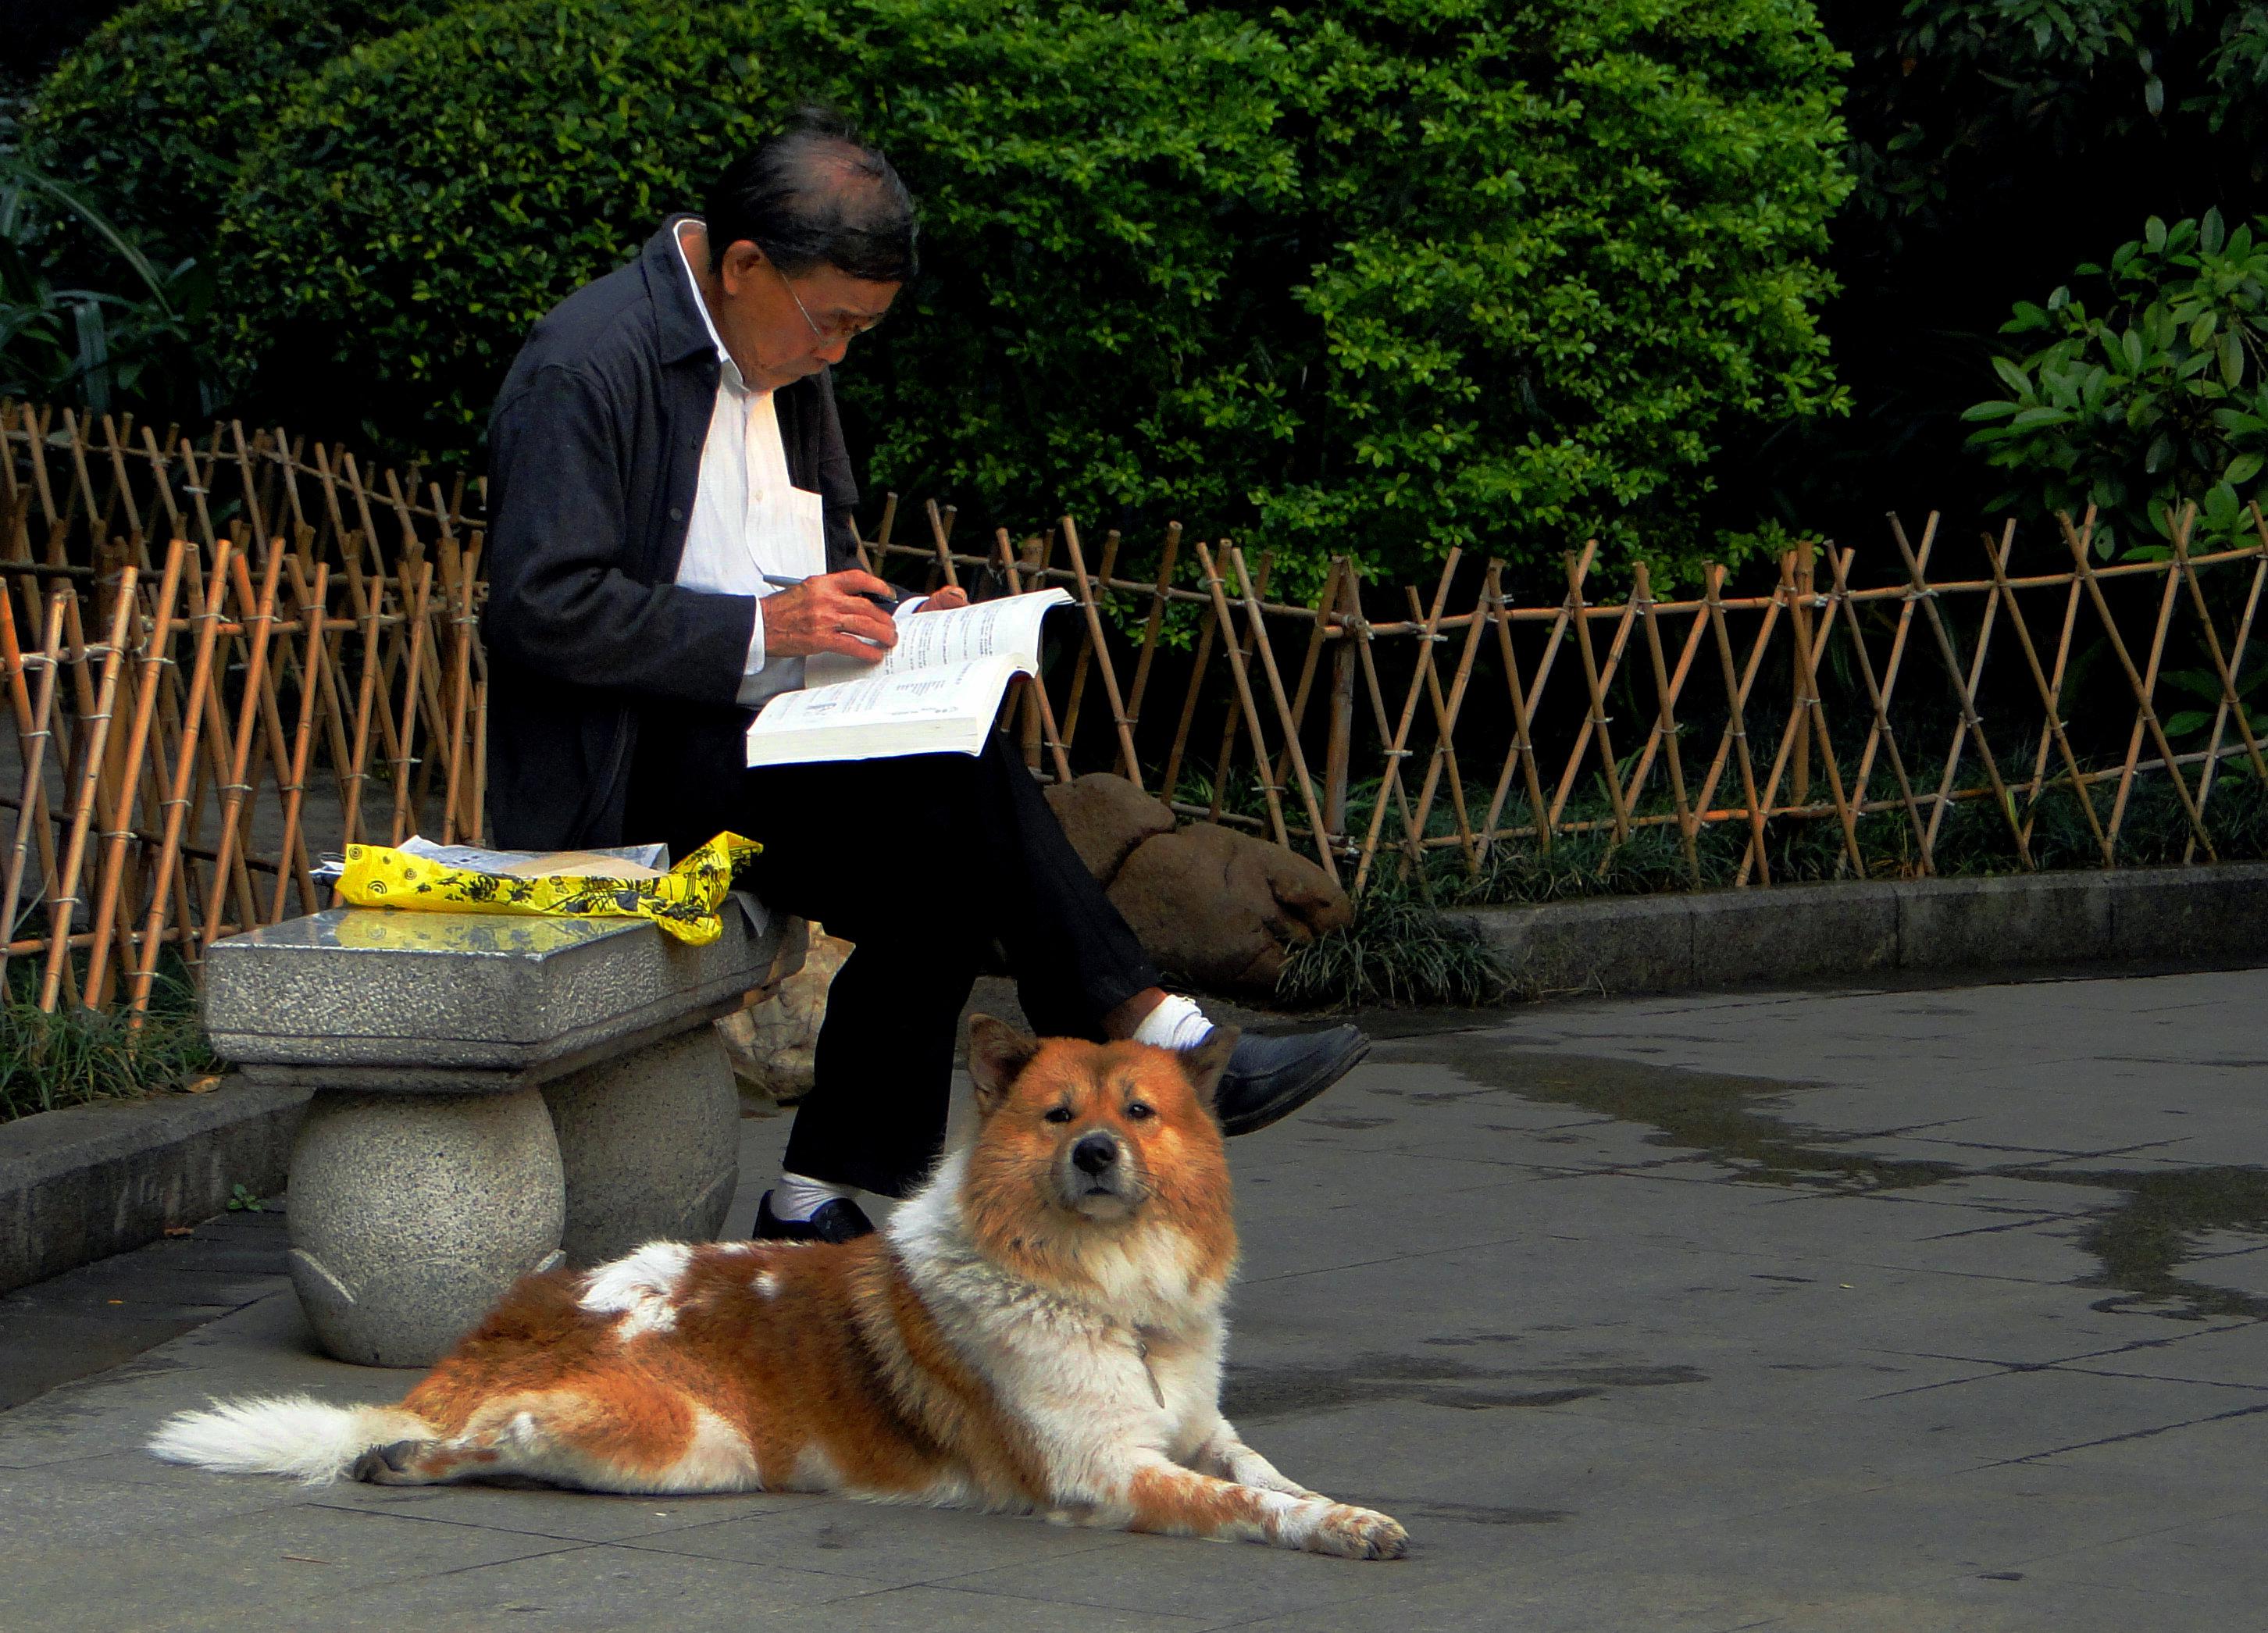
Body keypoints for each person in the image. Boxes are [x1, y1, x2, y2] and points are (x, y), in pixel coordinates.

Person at [480, 109, 1368, 1243]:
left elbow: (815, 564)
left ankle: (820, 1198)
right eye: (831, 322)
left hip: (766, 734)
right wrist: (766, 627)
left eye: (860, 330)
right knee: (950, 798)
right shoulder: (585, 364)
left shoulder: (782, 354)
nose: (836, 354)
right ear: (743, 265)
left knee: (947, 831)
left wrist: (892, 620)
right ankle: (1151, 1036)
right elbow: (539, 610)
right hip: (627, 776)